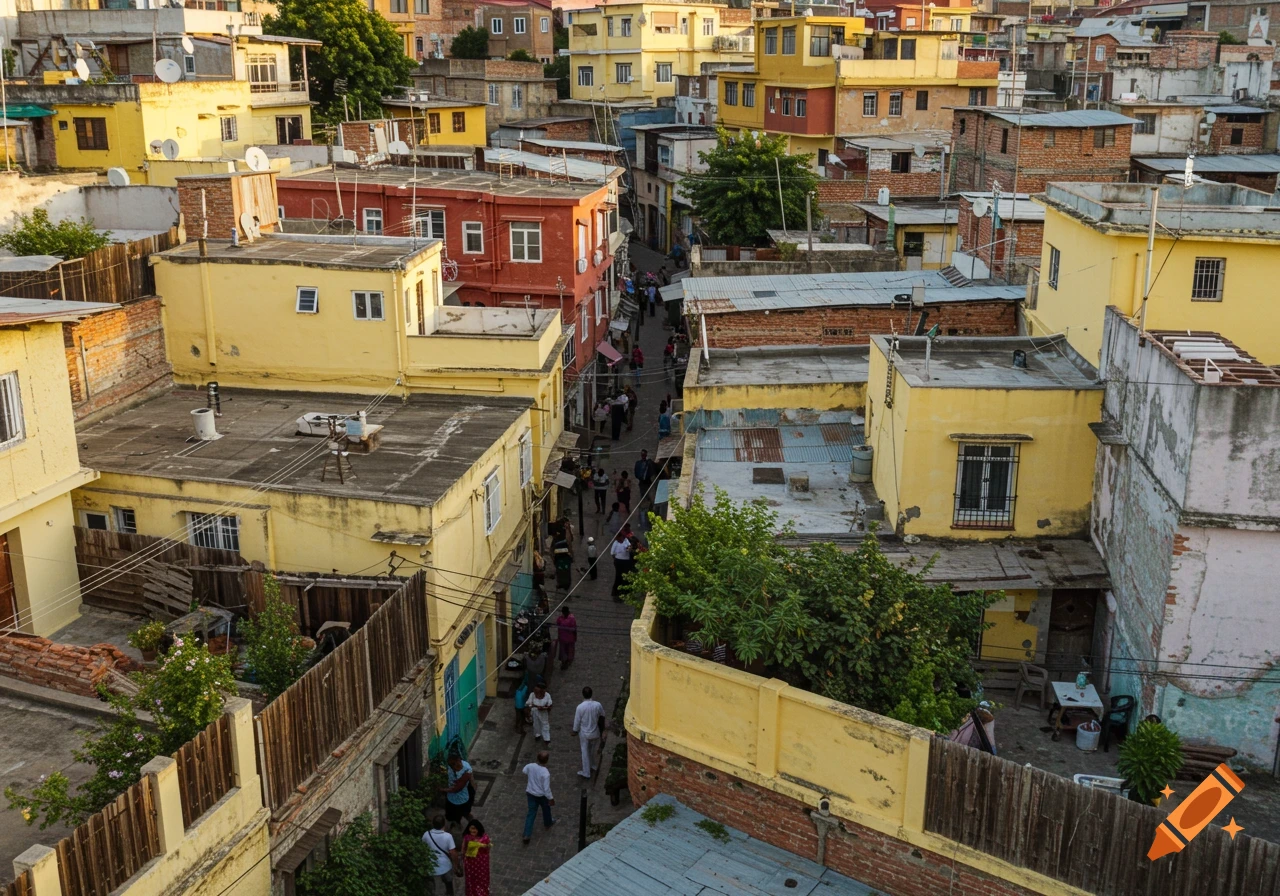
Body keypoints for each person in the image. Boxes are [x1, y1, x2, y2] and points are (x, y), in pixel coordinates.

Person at [573, 686, 608, 779]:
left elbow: (577, 721)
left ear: (583, 694)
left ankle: (586, 772)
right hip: (595, 732)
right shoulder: (597, 705)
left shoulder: (580, 707)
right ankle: (593, 765)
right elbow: (602, 716)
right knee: (591, 750)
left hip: (584, 733)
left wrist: (575, 730)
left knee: (584, 752)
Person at [522, 751, 556, 845]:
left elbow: (524, 771)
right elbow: (546, 789)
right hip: (541, 796)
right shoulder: (545, 773)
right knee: (546, 809)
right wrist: (551, 798)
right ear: (547, 761)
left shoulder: (530, 766)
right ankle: (548, 822)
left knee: (531, 813)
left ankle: (527, 834)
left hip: (530, 793)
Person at [423, 815, 461, 895]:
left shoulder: (426, 835)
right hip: (445, 866)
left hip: (431, 867)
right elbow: (453, 853)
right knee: (449, 884)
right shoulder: (448, 836)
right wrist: (456, 865)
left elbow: (423, 848)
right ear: (444, 824)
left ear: (433, 824)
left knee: (434, 887)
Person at [441, 755, 474, 830]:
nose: (456, 770)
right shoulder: (450, 766)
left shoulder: (467, 770)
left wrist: (442, 789)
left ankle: (471, 824)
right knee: (452, 814)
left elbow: (457, 788)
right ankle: (456, 823)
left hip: (462, 798)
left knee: (464, 812)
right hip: (451, 797)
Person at [461, 820, 492, 896]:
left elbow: (488, 848)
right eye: (471, 828)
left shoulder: (485, 838)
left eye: (475, 829)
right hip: (470, 863)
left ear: (478, 829)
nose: (473, 831)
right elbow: (463, 849)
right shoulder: (467, 838)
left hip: (482, 863)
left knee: (482, 878)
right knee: (471, 879)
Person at [610, 530, 633, 598]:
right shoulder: (616, 543)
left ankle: (625, 590)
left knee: (625, 575)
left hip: (626, 561)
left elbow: (630, 547)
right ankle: (616, 591)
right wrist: (616, 560)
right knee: (618, 576)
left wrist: (628, 549)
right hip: (619, 561)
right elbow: (612, 553)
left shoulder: (626, 540)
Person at [556, 605, 578, 670]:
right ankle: (564, 662)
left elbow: (574, 629)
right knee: (564, 651)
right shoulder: (560, 618)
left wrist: (574, 636)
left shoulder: (571, 618)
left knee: (568, 650)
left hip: (569, 639)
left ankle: (567, 661)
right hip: (563, 638)